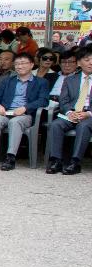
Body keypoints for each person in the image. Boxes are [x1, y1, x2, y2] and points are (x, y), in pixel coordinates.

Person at [0, 52, 46, 171]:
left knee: (15, 123)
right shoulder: (8, 81)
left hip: (24, 114)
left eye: (23, 63)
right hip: (6, 112)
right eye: (17, 64)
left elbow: (43, 100)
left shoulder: (41, 82)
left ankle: (10, 157)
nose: (20, 66)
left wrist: (25, 108)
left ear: (32, 65)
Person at [45, 45, 92, 175]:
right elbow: (63, 101)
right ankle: (56, 160)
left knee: (83, 126)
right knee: (56, 124)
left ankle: (75, 162)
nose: (91, 63)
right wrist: (69, 112)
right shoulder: (70, 79)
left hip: (89, 115)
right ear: (79, 63)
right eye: (87, 60)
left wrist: (87, 113)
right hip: (72, 113)